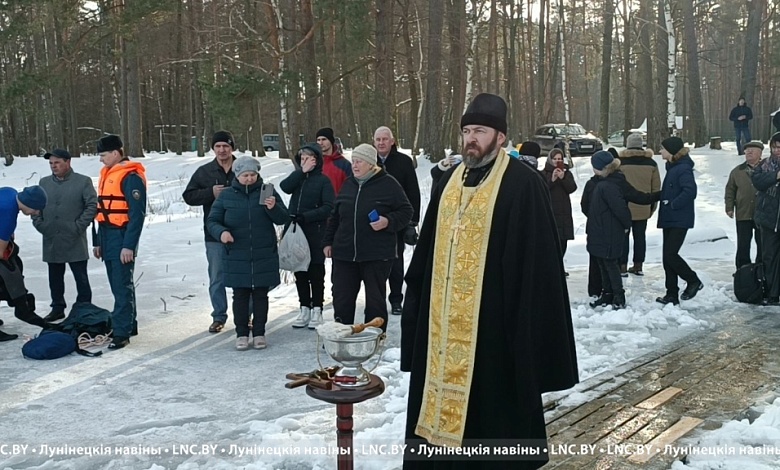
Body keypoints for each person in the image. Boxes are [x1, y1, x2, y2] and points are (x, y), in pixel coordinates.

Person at [400, 93, 578, 469]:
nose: (471, 139)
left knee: (493, 421)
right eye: (466, 131)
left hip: (496, 331)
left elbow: (537, 271)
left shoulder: (523, 184)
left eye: (480, 131)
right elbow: (426, 255)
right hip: (441, 334)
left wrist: (526, 340)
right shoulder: (447, 182)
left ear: (500, 137)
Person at [322, 144, 412, 332]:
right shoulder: (348, 183)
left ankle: (374, 334)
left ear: (371, 164)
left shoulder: (388, 184)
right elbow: (335, 216)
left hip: (376, 254)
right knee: (342, 296)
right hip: (345, 252)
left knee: (375, 299)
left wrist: (387, 221)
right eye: (353, 161)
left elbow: (406, 211)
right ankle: (341, 332)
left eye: (359, 161)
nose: (354, 165)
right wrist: (328, 242)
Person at [207, 157, 289, 350]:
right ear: (237, 175)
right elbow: (212, 221)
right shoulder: (227, 196)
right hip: (236, 252)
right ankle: (241, 333)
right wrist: (222, 233)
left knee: (261, 294)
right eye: (245, 175)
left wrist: (273, 207)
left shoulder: (267, 191)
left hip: (263, 252)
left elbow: (283, 218)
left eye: (253, 175)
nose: (250, 179)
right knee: (241, 295)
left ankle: (259, 332)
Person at [31, 149, 98, 322]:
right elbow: (35, 206)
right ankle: (57, 307)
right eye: (51, 163)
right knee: (54, 276)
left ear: (68, 162)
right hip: (51, 237)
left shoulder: (83, 181)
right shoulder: (44, 182)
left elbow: (91, 206)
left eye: (57, 163)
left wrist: (78, 226)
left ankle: (84, 307)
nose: (54, 166)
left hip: (74, 237)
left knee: (80, 277)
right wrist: (40, 224)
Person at [93, 135, 146, 350]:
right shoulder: (107, 174)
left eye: (103, 155)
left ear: (116, 153)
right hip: (107, 234)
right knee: (117, 284)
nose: (101, 160)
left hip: (121, 235)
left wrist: (129, 246)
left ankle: (122, 332)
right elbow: (102, 211)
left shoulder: (131, 177)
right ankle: (128, 324)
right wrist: (98, 242)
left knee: (121, 285)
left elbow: (137, 215)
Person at [182, 130, 236, 333]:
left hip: (242, 232)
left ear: (232, 147)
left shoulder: (242, 168)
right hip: (213, 233)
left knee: (245, 277)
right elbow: (188, 196)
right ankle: (219, 316)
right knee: (217, 276)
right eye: (218, 146)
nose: (222, 150)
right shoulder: (205, 172)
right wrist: (209, 193)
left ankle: (246, 315)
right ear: (213, 149)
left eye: (226, 146)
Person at [280, 144, 334, 329]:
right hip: (295, 231)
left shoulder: (323, 181)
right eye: (301, 158)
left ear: (316, 160)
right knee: (300, 270)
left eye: (308, 158)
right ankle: (304, 307)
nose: (304, 161)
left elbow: (329, 207)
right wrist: (300, 172)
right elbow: (284, 187)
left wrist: (307, 216)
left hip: (315, 231)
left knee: (316, 272)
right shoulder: (298, 179)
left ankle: (317, 309)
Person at [373, 126, 421, 316]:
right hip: (373, 220)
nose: (381, 143)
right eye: (378, 140)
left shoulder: (403, 161)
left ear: (392, 141)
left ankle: (395, 299)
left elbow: (413, 191)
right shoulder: (370, 161)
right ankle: (376, 300)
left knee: (395, 261)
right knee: (375, 264)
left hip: (398, 220)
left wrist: (413, 220)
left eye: (385, 139)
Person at [0, 185, 53, 341]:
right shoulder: (8, 216)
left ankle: (20, 303)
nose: (36, 213)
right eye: (36, 210)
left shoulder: (11, 192)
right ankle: (20, 307)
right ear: (29, 203)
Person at [655, 137, 703, 305]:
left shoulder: (682, 168)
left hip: (679, 218)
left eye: (662, 148)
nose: (660, 151)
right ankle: (671, 293)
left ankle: (693, 280)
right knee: (667, 257)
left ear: (672, 151)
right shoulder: (673, 167)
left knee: (670, 255)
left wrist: (674, 204)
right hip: (670, 218)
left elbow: (690, 191)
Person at [582, 151, 632, 309]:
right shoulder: (600, 183)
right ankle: (607, 293)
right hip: (599, 230)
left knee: (610, 264)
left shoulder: (608, 185)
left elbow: (620, 209)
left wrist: (625, 225)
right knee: (602, 263)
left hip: (608, 231)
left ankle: (618, 295)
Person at [618, 133, 661, 276]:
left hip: (624, 207)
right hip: (644, 206)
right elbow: (656, 188)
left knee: (623, 238)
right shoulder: (651, 164)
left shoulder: (620, 163)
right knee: (640, 237)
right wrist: (652, 207)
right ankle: (638, 265)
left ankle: (622, 266)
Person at [751, 132, 780, 304]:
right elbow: (758, 181)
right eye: (775, 147)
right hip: (769, 220)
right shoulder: (765, 165)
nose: (777, 150)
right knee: (770, 257)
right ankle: (773, 293)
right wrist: (775, 176)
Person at [725, 140, 763, 269]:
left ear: (760, 153)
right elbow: (730, 190)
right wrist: (729, 207)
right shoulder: (737, 171)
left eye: (753, 150)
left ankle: (762, 273)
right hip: (743, 213)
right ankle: (743, 274)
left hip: (763, 215)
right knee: (743, 246)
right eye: (747, 151)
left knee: (763, 246)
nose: (749, 153)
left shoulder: (767, 169)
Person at [542, 147, 577, 273]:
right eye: (555, 159)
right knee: (550, 243)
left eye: (560, 159)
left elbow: (572, 188)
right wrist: (552, 180)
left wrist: (563, 178)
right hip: (550, 211)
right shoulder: (544, 173)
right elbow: (542, 189)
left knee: (563, 242)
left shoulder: (567, 173)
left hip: (564, 213)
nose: (557, 161)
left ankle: (559, 267)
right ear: (550, 160)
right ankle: (550, 268)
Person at [316, 127, 352, 195]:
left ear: (331, 141)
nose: (320, 143)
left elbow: (350, 188)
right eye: (318, 140)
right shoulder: (314, 163)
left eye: (324, 139)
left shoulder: (344, 164)